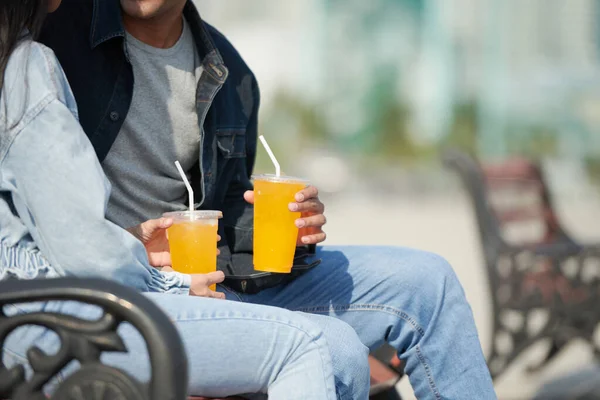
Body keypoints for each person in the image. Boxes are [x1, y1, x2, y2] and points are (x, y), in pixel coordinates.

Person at [40, 0, 498, 398]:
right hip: (126, 286)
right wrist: (126, 246)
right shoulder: (56, 41)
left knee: (429, 282)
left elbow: (228, 214)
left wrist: (291, 229)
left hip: (218, 278)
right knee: (333, 347)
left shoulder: (230, 72)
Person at [0, 1, 357, 399]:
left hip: (57, 302)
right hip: (51, 316)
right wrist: (168, 283)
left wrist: (278, 227)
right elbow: (85, 248)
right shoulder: (32, 64)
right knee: (319, 346)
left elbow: (56, 231)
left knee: (408, 290)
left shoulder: (231, 71)